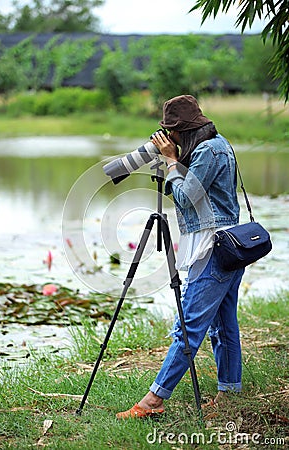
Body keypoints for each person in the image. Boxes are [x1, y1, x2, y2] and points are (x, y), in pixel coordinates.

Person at [116, 94, 245, 419]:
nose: (167, 138)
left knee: (189, 325)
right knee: (223, 323)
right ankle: (230, 393)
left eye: (171, 132)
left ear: (182, 132)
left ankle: (154, 399)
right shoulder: (216, 143)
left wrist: (172, 162)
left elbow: (186, 197)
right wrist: (174, 162)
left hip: (213, 247)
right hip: (226, 244)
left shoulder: (206, 151)